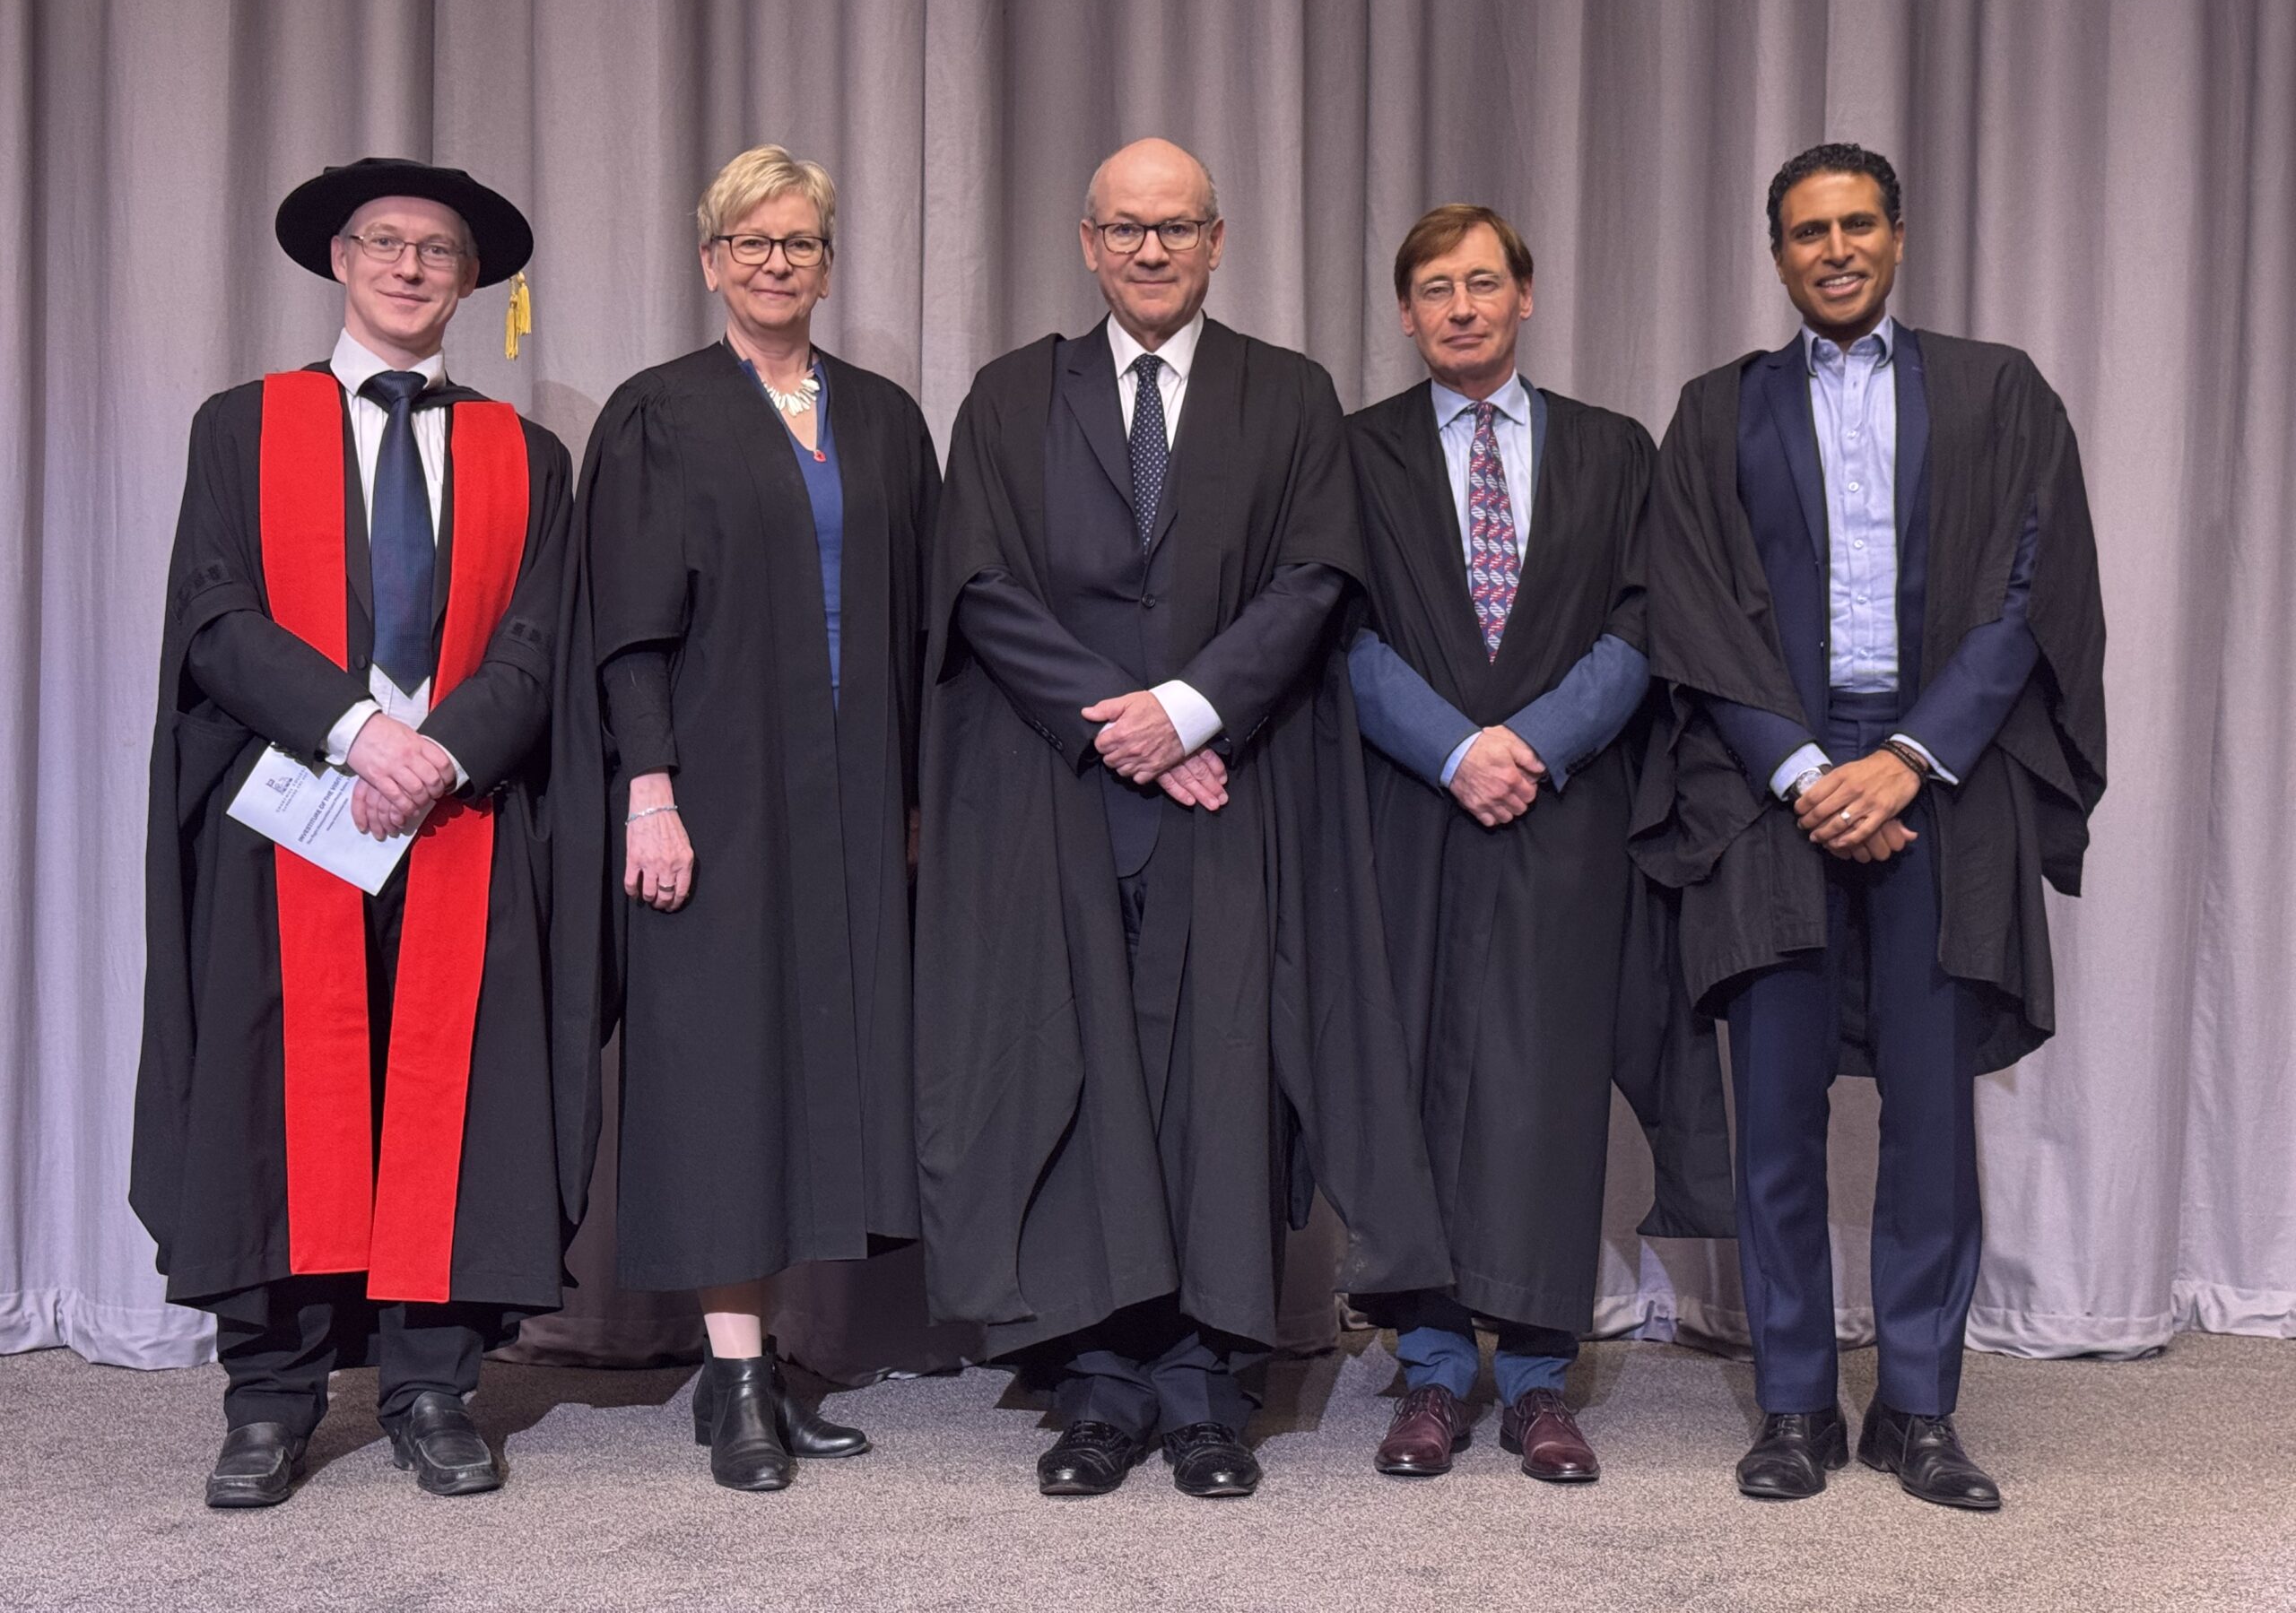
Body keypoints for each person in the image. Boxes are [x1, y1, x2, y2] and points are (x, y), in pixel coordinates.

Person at [913, 137, 1447, 1501]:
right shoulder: (1011, 394)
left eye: (1177, 229)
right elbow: (977, 583)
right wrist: (1123, 723)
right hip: (1061, 793)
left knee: (1222, 1083)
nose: (1151, 252)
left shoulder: (1288, 395)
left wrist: (1196, 710)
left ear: (1219, 242)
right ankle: (1098, 1382)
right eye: (1126, 229)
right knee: (1081, 1075)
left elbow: (1319, 573)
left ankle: (1210, 1385)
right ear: (1086, 244)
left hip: (1236, 790)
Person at [1634, 143, 2107, 1510]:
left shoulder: (1996, 390)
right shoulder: (1719, 409)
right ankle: (1794, 1407)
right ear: (1774, 254)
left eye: (1855, 225)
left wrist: (1907, 757)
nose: (1832, 250)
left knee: (1927, 1112)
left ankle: (1917, 1407)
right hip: (1773, 779)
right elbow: (1696, 601)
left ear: (1897, 235)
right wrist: (1799, 772)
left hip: (1938, 779)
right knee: (1774, 1111)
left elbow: (2031, 586)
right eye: (1804, 233)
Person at [135, 158, 585, 1507]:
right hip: (291, 820)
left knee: (451, 1096)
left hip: (461, 815)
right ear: (339, 260)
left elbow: (539, 638)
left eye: (436, 250)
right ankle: (269, 1399)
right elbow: (216, 616)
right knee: (276, 1095)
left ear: (470, 281)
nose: (408, 267)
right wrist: (358, 732)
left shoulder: (524, 453)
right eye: (384, 242)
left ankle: (434, 1385)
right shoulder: (242, 427)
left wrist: (439, 752)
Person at [555, 145, 939, 1492]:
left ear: (829, 263)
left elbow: (920, 625)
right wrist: (647, 792)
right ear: (711, 259)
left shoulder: (888, 419)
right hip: (713, 794)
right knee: (725, 1076)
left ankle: (766, 1362)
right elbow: (625, 635)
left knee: (816, 1072)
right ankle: (729, 1384)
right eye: (752, 242)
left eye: (802, 243)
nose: (778, 263)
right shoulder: (661, 414)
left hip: (849, 800)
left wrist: (909, 799)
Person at [1346, 204, 1731, 1483]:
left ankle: (1540, 1378)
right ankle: (1433, 1372)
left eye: (1484, 282)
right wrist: (1455, 747)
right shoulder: (1354, 456)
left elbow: (1644, 618)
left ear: (1525, 297)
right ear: (1405, 313)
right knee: (1419, 1080)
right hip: (1411, 807)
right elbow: (1335, 630)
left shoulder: (1618, 452)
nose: (1460, 306)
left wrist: (1538, 742)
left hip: (1570, 811)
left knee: (1550, 1093)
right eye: (1434, 288)